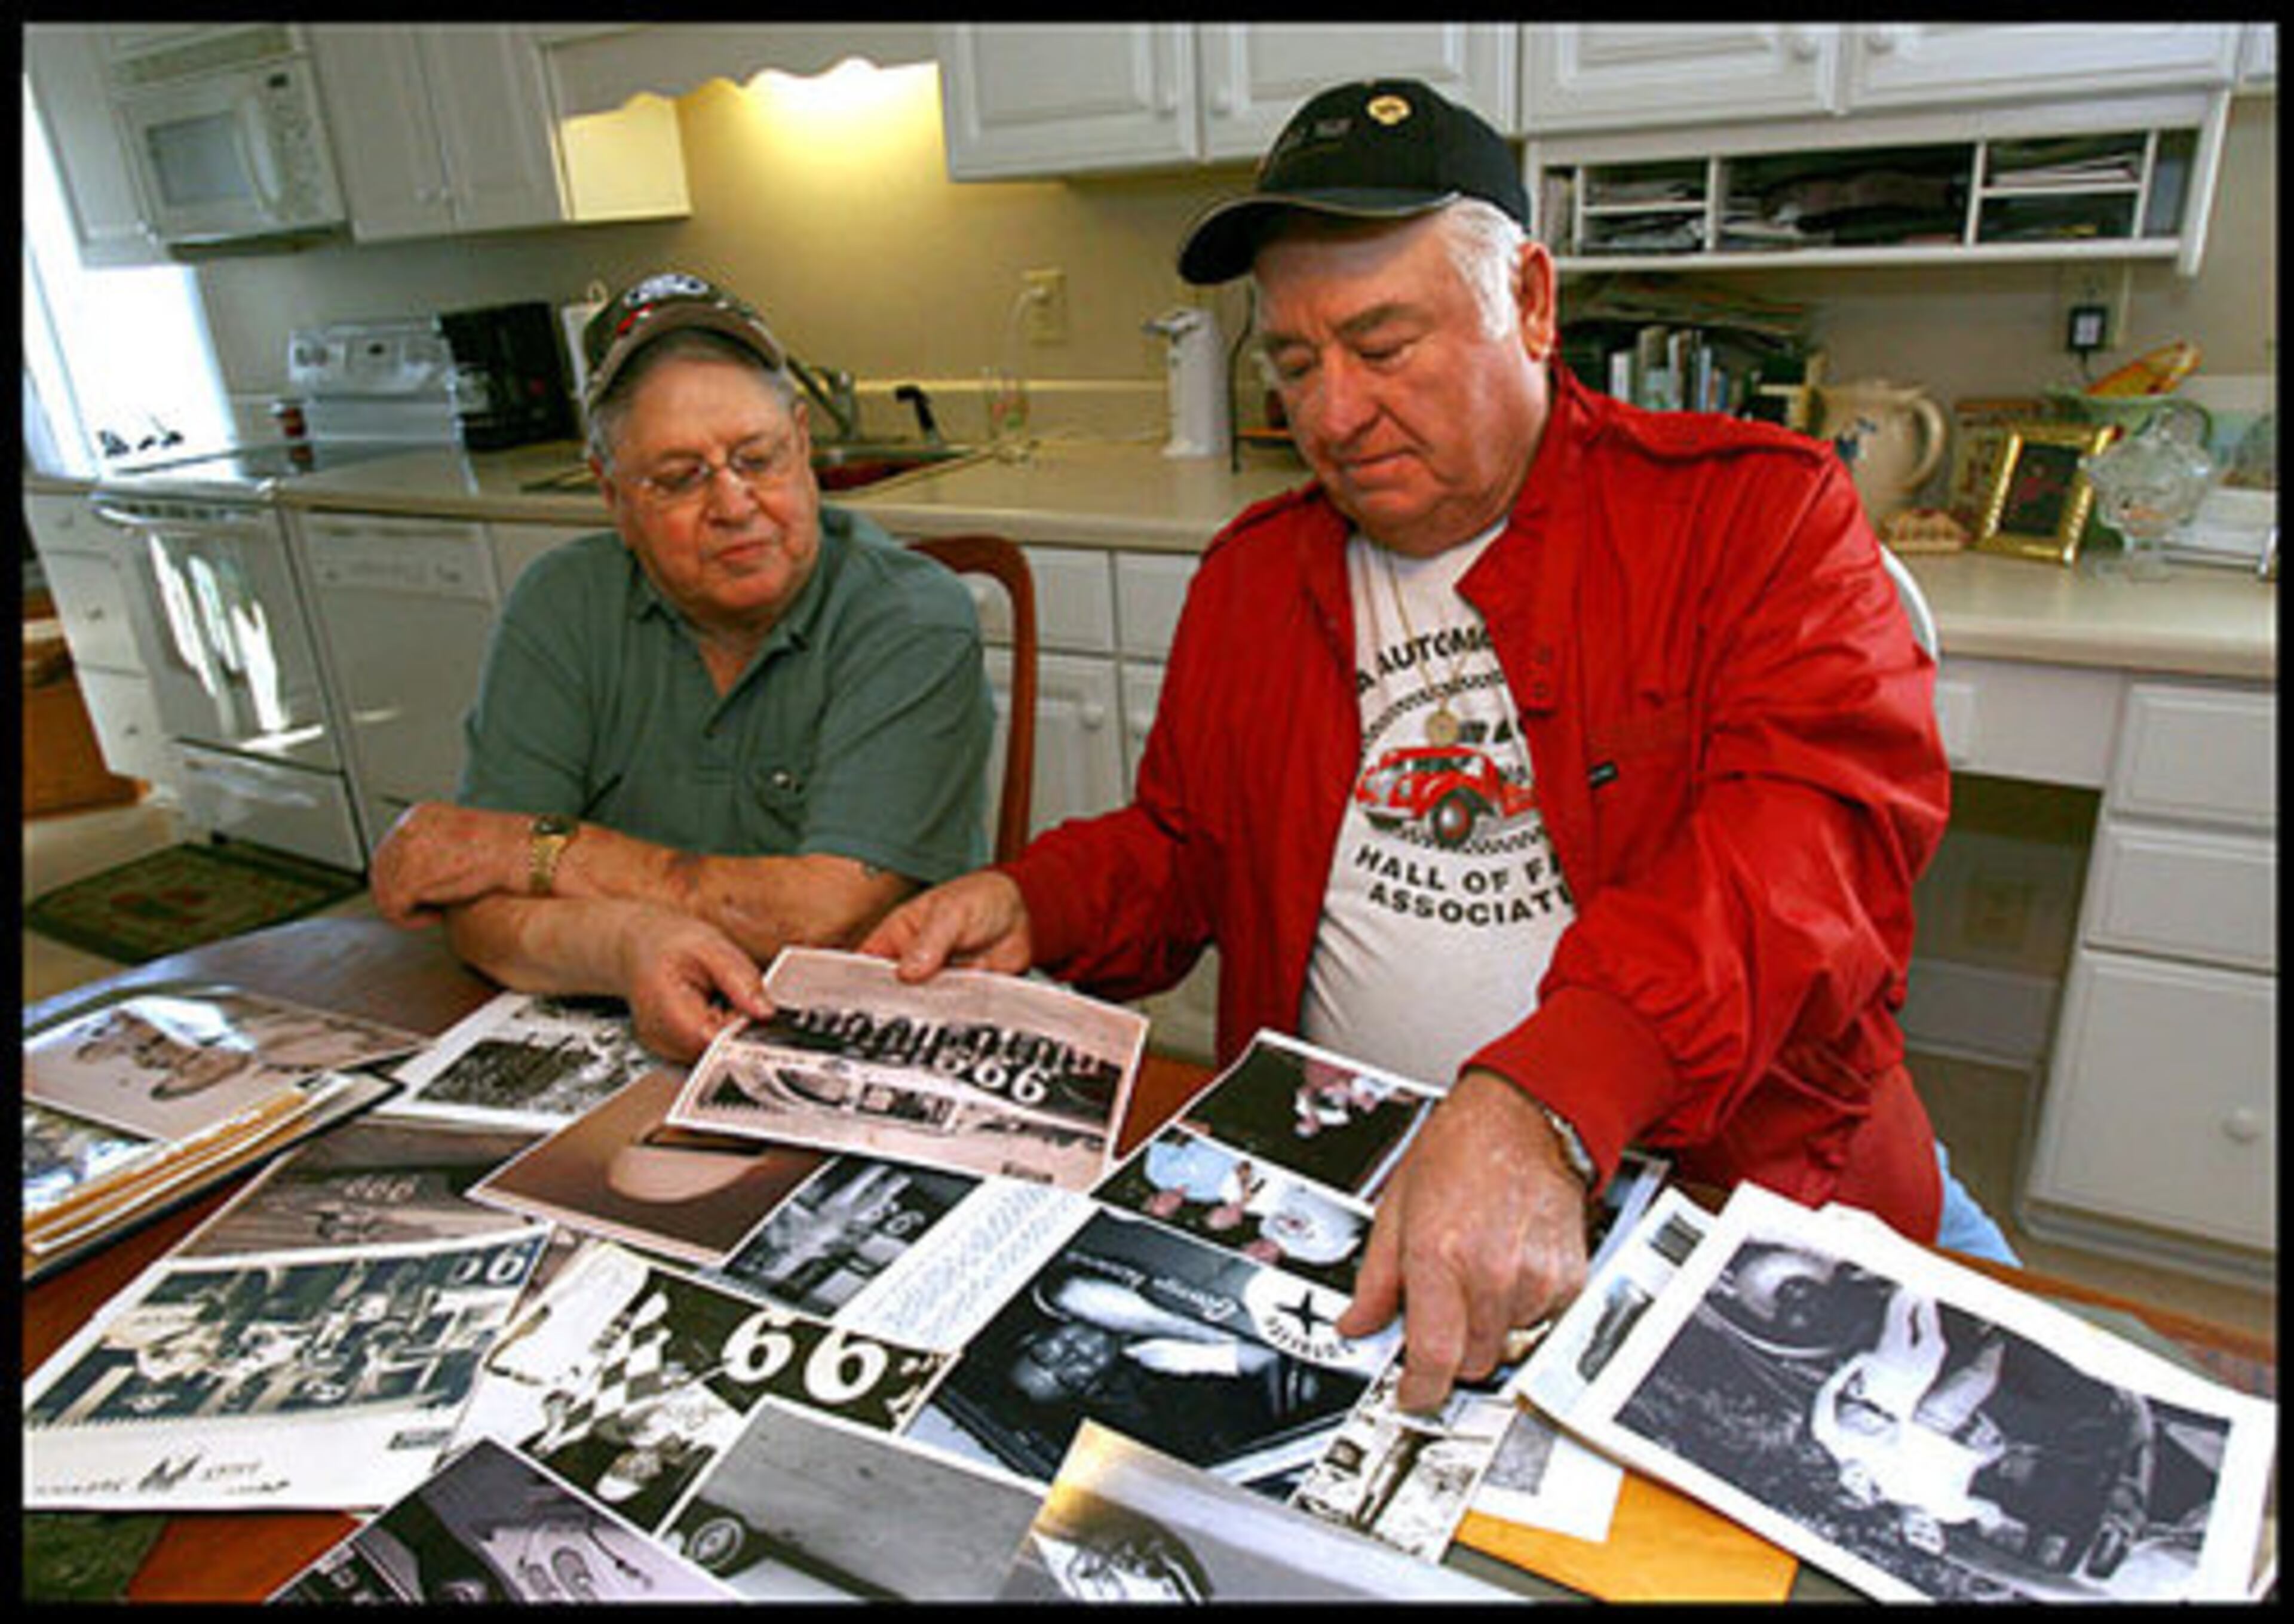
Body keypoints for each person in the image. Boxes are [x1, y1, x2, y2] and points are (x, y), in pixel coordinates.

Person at [861, 79, 1995, 1413]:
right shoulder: (1250, 575)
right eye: (1293, 362)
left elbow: (1809, 857)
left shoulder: (1758, 516)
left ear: (1529, 300)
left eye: (1383, 344)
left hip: (1719, 1200)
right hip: (1343, 1195)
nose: (1332, 415)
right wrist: (1034, 900)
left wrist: (1552, 1097)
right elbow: (1184, 848)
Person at [369, 272, 994, 1063]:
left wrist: (538, 850)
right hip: (625, 1032)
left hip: (868, 1041)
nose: (734, 504)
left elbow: (821, 917)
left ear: (803, 442)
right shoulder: (561, 602)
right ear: (612, 496)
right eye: (679, 478)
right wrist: (632, 942)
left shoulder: (910, 614)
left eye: (757, 458)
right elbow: (478, 900)